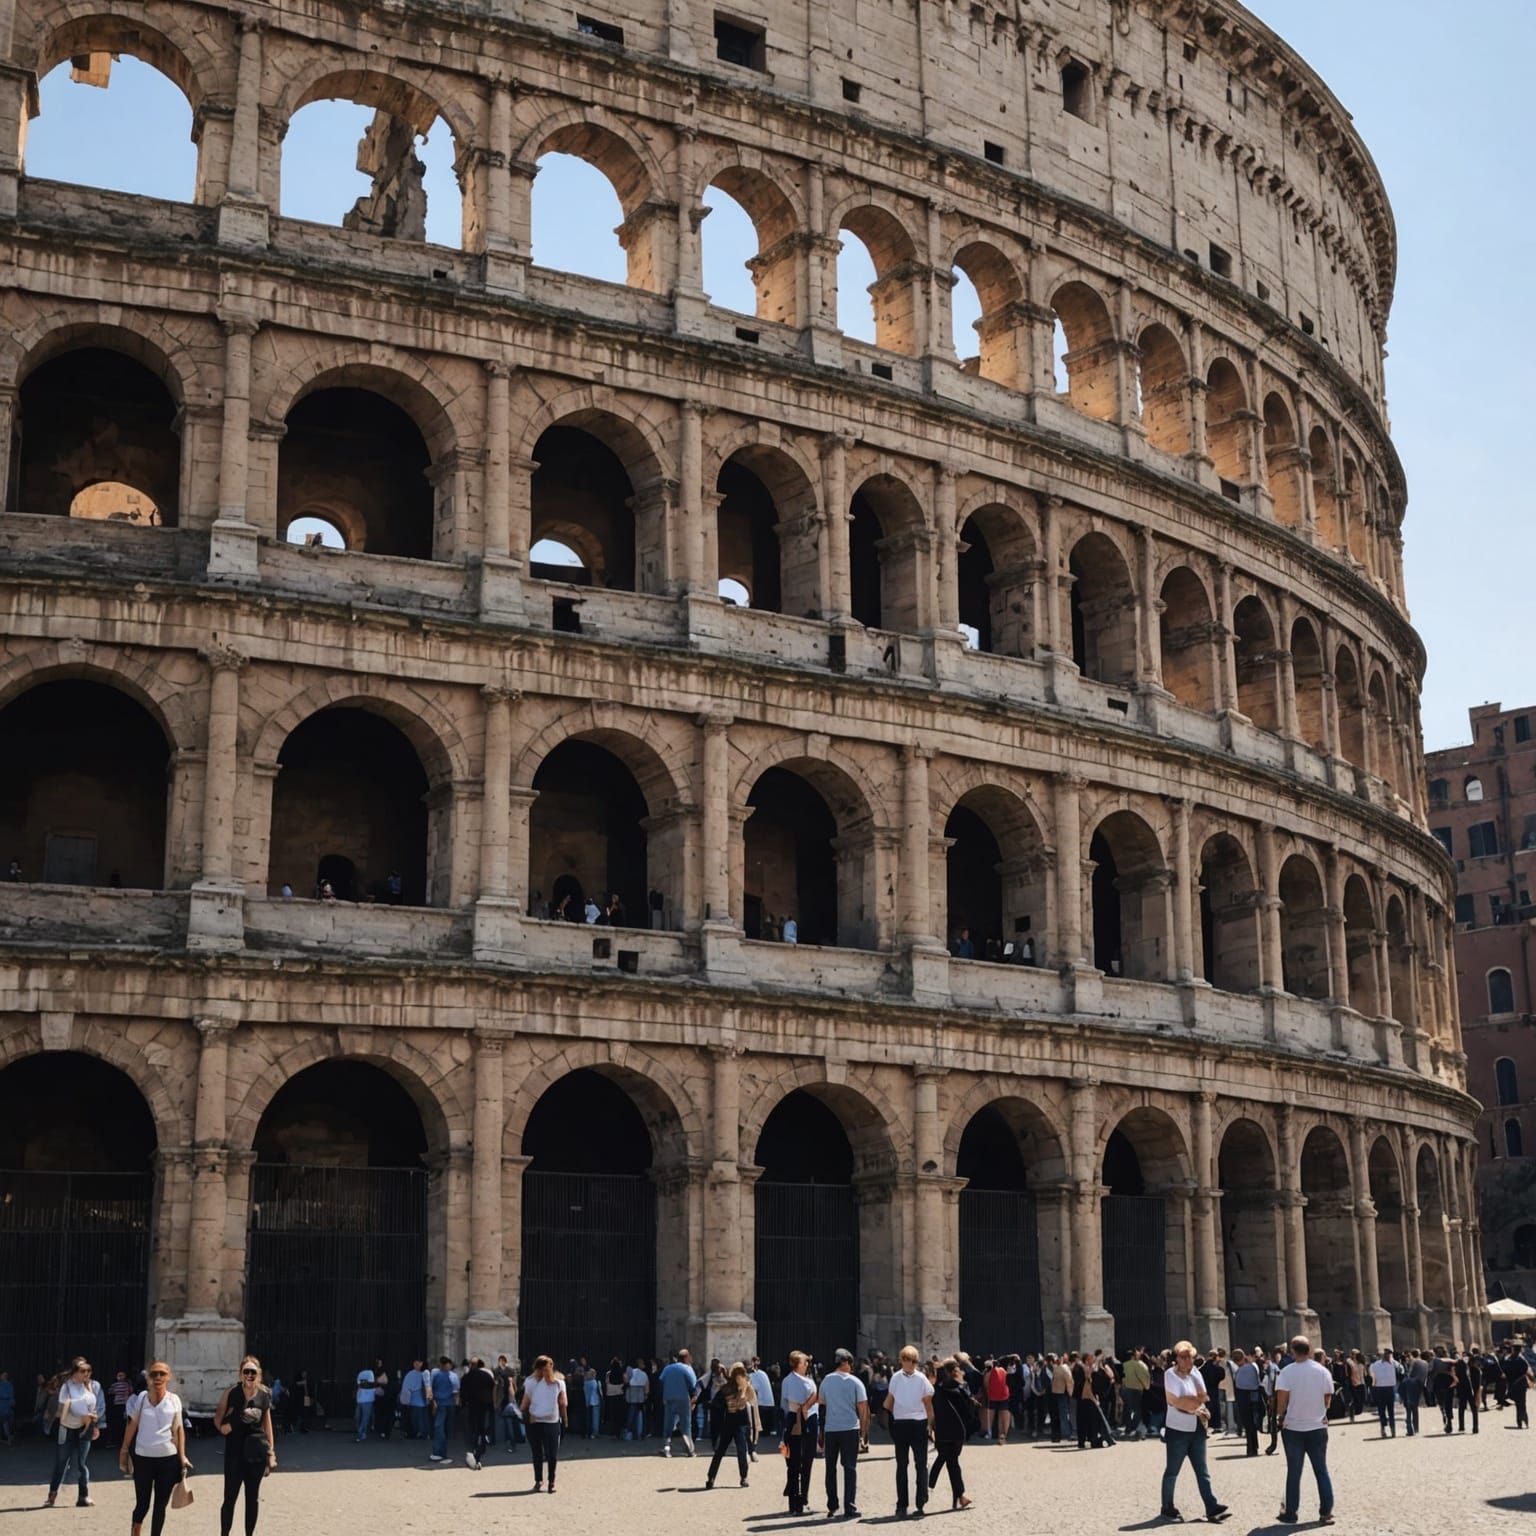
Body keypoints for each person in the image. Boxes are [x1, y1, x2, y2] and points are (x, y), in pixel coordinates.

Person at [1159, 1341, 1229, 1524]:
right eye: (1184, 1357)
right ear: (1177, 1359)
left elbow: (1203, 1396)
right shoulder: (1170, 1375)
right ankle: (1167, 1507)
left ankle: (1211, 1506)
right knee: (1172, 1471)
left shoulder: (1196, 1373)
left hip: (1197, 1427)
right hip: (1177, 1428)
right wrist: (1193, 1403)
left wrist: (1192, 1402)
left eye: (1191, 1357)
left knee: (1202, 1471)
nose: (1189, 1360)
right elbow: (1175, 1401)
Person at [118, 1361, 189, 1536]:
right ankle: (136, 1531)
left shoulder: (174, 1400)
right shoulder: (141, 1398)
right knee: (142, 1504)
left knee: (160, 1505)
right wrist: (124, 1450)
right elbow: (132, 1425)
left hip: (168, 1459)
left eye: (162, 1374)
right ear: (148, 1378)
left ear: (168, 1377)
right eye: (154, 1374)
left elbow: (179, 1429)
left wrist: (183, 1456)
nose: (158, 1377)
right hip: (143, 1459)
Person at [1274, 1335, 1333, 1526]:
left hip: (1293, 1427)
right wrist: (1322, 1412)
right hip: (1317, 1426)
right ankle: (1326, 1512)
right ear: (1309, 1351)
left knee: (1294, 1471)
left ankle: (1291, 1513)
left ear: (1292, 1351)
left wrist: (1280, 1416)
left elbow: (1282, 1401)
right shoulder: (1322, 1371)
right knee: (1321, 1470)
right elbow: (1327, 1398)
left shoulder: (1286, 1372)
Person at [216, 1356, 276, 1536]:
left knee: (252, 1499)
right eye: (246, 1371)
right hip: (234, 1454)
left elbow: (267, 1426)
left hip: (256, 1454)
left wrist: (271, 1452)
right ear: (241, 1374)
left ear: (258, 1374)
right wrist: (222, 1427)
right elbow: (218, 1417)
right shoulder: (231, 1392)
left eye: (253, 1372)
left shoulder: (264, 1394)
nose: (249, 1375)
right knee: (229, 1499)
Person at [883, 1344, 933, 1518]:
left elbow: (927, 1403)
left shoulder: (911, 1378)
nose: (911, 1363)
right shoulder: (907, 1378)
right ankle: (910, 1502)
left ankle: (912, 1502)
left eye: (912, 1360)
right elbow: (926, 1402)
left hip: (910, 1423)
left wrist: (930, 1424)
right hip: (909, 1424)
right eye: (908, 1360)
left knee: (912, 1464)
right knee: (910, 1464)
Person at [46, 1356, 103, 1508]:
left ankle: (83, 1496)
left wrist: (95, 1423)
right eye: (83, 1370)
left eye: (89, 1370)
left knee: (82, 1463)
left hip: (85, 1429)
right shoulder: (67, 1387)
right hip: (68, 1428)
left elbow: (96, 1407)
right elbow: (65, 1406)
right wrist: (82, 1415)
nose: (87, 1373)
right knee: (61, 1462)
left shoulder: (93, 1386)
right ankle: (52, 1494)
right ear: (75, 1372)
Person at [816, 1349, 868, 1517]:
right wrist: (864, 1433)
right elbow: (863, 1409)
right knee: (850, 1468)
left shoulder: (825, 1381)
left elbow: (822, 1406)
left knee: (830, 1468)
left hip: (831, 1429)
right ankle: (849, 1506)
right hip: (850, 1429)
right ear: (845, 1363)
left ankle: (832, 1504)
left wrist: (821, 1431)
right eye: (850, 1363)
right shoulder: (855, 1382)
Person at [705, 1362, 760, 1491]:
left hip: (740, 1424)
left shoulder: (746, 1388)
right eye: (739, 1374)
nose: (741, 1377)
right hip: (730, 1424)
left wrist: (745, 1389)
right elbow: (717, 1406)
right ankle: (711, 1478)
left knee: (741, 1451)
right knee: (721, 1451)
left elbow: (750, 1401)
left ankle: (743, 1477)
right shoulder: (726, 1389)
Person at [929, 1358, 974, 1511]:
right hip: (957, 1431)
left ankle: (929, 1486)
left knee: (947, 1461)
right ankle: (958, 1496)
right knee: (952, 1462)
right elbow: (967, 1410)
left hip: (943, 1431)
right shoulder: (959, 1388)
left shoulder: (936, 1389)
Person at [779, 1350, 819, 1516]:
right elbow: (807, 1401)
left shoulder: (787, 1381)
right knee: (806, 1462)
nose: (807, 1364)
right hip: (805, 1421)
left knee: (793, 1463)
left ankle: (793, 1501)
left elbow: (783, 1404)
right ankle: (802, 1499)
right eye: (805, 1362)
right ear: (798, 1364)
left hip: (791, 1422)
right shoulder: (804, 1382)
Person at [520, 1355, 566, 1493]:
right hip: (552, 1422)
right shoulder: (559, 1383)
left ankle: (538, 1480)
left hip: (534, 1422)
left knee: (537, 1453)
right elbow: (563, 1403)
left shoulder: (529, 1382)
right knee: (552, 1454)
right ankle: (551, 1482)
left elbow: (524, 1405)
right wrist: (565, 1419)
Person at [657, 1349, 699, 1457]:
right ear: (686, 1357)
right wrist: (694, 1397)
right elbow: (693, 1384)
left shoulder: (667, 1368)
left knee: (668, 1424)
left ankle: (667, 1448)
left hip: (669, 1398)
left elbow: (661, 1381)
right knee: (686, 1425)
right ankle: (690, 1450)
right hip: (684, 1399)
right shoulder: (687, 1369)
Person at [461, 1356, 496, 1470]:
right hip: (485, 1405)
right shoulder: (486, 1375)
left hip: (472, 1405)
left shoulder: (467, 1377)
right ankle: (483, 1442)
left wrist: (464, 1402)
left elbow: (463, 1391)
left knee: (473, 1427)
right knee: (483, 1426)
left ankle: (474, 1446)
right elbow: (492, 1388)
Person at [428, 1356, 457, 1462]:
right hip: (450, 1404)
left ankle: (439, 1452)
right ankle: (443, 1452)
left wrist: (433, 1403)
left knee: (438, 1428)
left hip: (440, 1404)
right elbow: (456, 1392)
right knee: (444, 1429)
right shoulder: (453, 1375)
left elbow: (431, 1389)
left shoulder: (436, 1374)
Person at [1368, 1348, 1398, 1437]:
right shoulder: (1376, 1365)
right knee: (1381, 1410)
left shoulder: (1394, 1364)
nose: (1388, 1356)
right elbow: (1371, 1374)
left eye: (1389, 1354)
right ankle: (1383, 1428)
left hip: (1390, 1388)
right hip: (1380, 1388)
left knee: (1391, 1410)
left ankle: (1392, 1429)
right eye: (1386, 1354)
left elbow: (1401, 1370)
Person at [1120, 1349, 1149, 1441]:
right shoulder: (1139, 1364)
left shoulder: (1124, 1365)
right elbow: (1144, 1376)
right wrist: (1146, 1386)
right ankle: (1133, 1427)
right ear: (1133, 1356)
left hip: (1126, 1389)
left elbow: (1121, 1377)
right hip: (1137, 1389)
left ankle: (1127, 1428)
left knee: (1127, 1409)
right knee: (1137, 1409)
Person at [1400, 1349, 1426, 1436]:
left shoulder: (1413, 1362)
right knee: (1415, 1408)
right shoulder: (1425, 1363)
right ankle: (1416, 1428)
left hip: (1410, 1385)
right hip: (1419, 1386)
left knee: (1408, 1408)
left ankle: (1409, 1429)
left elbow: (1409, 1374)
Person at [1503, 1343, 1530, 1428]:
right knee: (1522, 1403)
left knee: (1519, 1404)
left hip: (1514, 1384)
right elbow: (1525, 1369)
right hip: (1521, 1384)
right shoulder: (1522, 1360)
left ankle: (1521, 1421)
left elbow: (1505, 1370)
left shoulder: (1510, 1359)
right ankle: (1523, 1420)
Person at [623, 1357, 650, 1440]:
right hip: (641, 1395)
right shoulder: (644, 1374)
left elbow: (625, 1381)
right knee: (641, 1414)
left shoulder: (630, 1372)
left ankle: (629, 1432)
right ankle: (640, 1433)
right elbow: (647, 1386)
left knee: (631, 1414)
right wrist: (646, 1395)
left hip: (631, 1394)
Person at [106, 1370, 135, 1446]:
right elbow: (110, 1392)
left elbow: (130, 1392)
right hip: (117, 1405)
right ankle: (117, 1440)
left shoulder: (127, 1385)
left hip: (124, 1405)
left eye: (122, 1375)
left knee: (123, 1422)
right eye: (119, 1375)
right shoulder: (114, 1385)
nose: (120, 1377)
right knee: (118, 1422)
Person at [748, 1359, 776, 1438]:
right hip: (769, 1404)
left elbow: (752, 1389)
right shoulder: (763, 1373)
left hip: (762, 1404)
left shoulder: (752, 1376)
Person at [353, 1365, 376, 1442]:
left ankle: (361, 1434)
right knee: (357, 1417)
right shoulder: (362, 1376)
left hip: (368, 1401)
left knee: (365, 1418)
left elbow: (370, 1385)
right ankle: (361, 1432)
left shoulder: (370, 1376)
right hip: (360, 1400)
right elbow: (359, 1385)